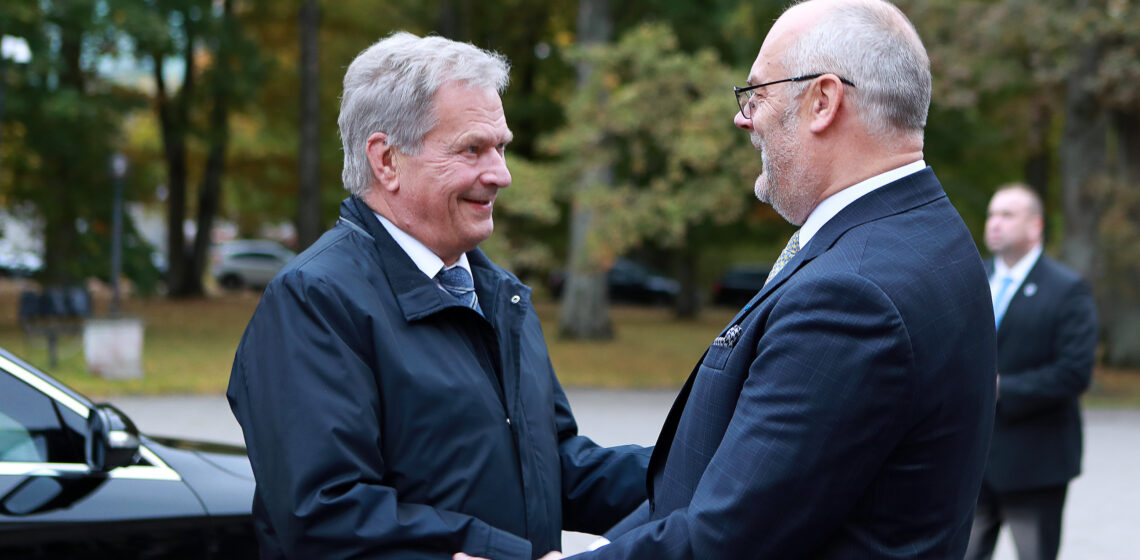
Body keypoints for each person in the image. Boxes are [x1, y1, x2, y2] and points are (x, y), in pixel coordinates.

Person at [459, 1, 996, 559]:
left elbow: (726, 538)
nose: (744, 118)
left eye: (757, 94)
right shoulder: (930, 234)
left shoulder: (853, 296)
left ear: (823, 100)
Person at [227, 32, 650, 560]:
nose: (500, 174)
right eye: (472, 149)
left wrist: (702, 465)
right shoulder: (315, 302)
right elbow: (324, 514)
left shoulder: (500, 296)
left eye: (501, 147)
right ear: (386, 160)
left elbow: (551, 469)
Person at [965, 184, 1098, 560]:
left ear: (1036, 226)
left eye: (1007, 215)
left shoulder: (1067, 290)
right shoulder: (972, 279)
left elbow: (1074, 372)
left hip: (1035, 464)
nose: (995, 224)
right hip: (974, 464)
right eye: (992, 215)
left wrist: (1001, 388)